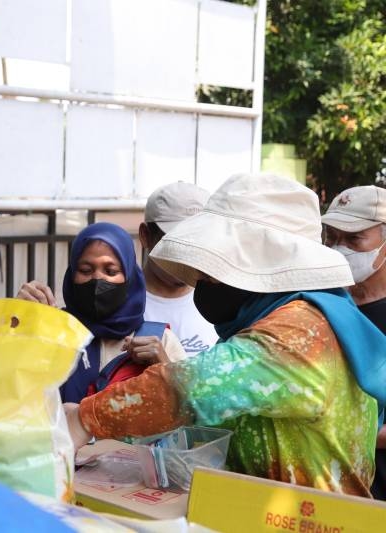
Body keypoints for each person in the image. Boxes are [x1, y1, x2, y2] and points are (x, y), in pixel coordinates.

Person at [65, 173, 386, 497]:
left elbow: (190, 389)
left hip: (312, 517)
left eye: (214, 268)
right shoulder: (275, 319)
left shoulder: (300, 332)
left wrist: (85, 418)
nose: (202, 279)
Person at [16, 222, 186, 403]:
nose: (97, 279)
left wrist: (164, 367)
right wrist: (16, 321)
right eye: (86, 270)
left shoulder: (161, 341)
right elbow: (6, 391)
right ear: (72, 275)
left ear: (129, 277)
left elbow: (192, 409)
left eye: (110, 271)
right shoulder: (50, 333)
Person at [322, 185, 386, 500]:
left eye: (354, 239)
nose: (339, 249)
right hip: (326, 485)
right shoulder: (324, 303)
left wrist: (343, 433)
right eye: (332, 238)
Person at [140, 182, 217, 353]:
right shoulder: (119, 305)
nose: (187, 252)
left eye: (198, 240)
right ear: (145, 236)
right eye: (175, 241)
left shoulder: (225, 305)